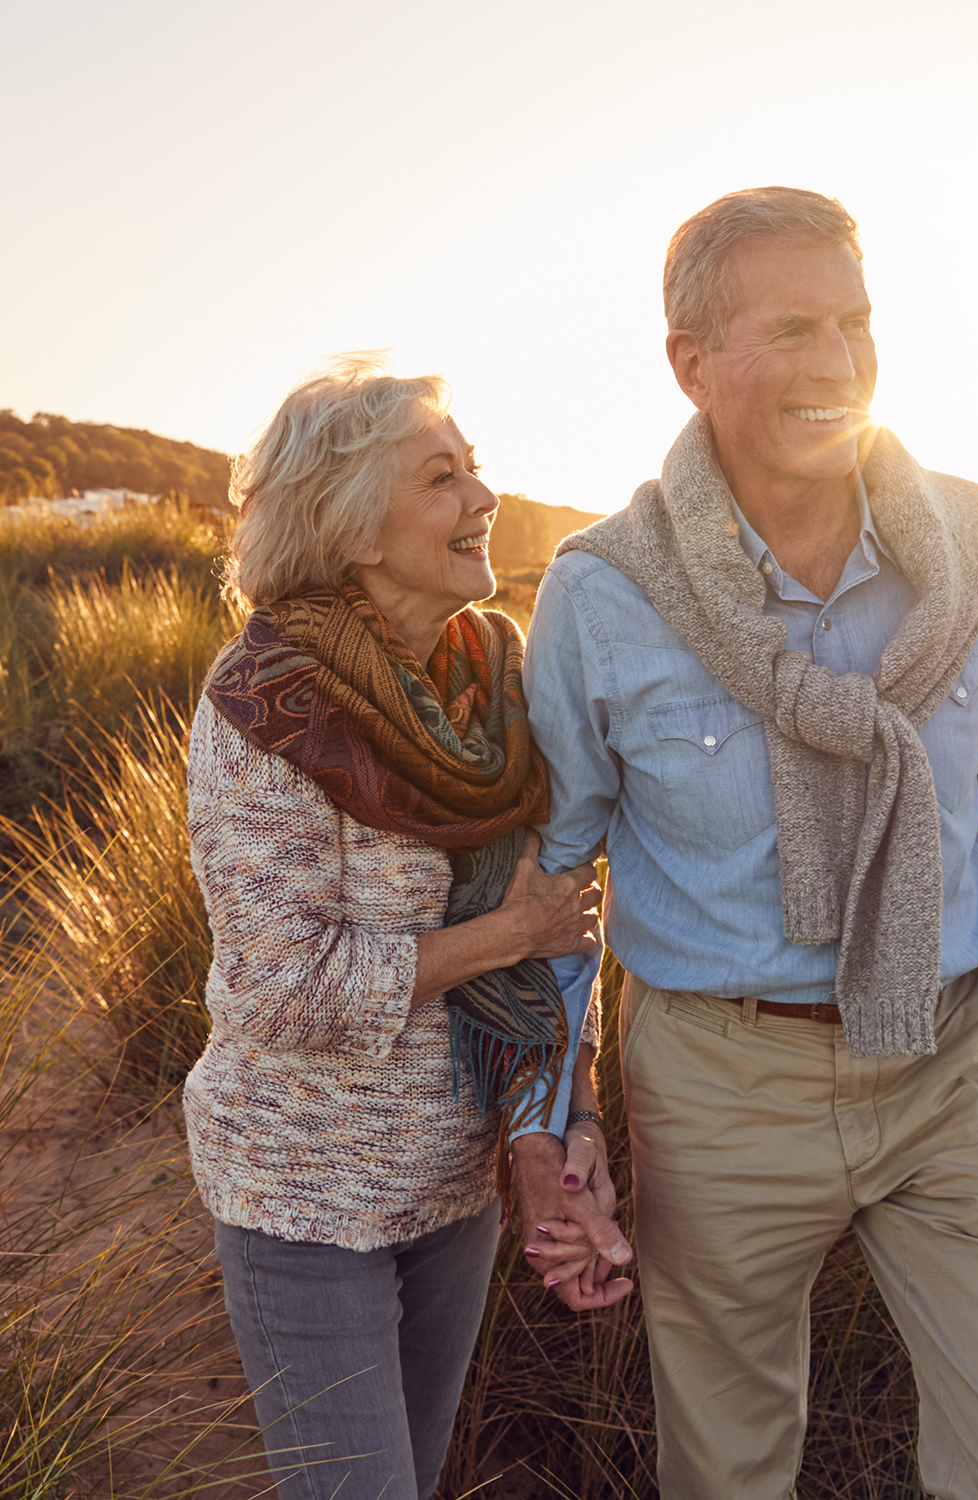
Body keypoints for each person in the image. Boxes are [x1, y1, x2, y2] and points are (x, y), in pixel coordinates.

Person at [522, 189, 978, 1498]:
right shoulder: (603, 593)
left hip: (955, 1064)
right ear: (691, 363)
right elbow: (557, 882)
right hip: (717, 1087)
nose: (840, 364)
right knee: (725, 1473)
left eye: (855, 323)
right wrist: (558, 1120)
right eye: (793, 328)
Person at [183, 356, 632, 1500]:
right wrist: (504, 936)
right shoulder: (264, 705)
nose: (483, 497)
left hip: (455, 1182)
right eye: (442, 477)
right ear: (353, 531)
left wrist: (564, 1120)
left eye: (474, 467)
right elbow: (282, 989)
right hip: (303, 1193)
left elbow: (570, 926)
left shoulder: (498, 675)